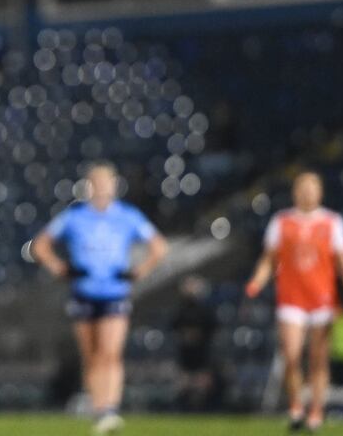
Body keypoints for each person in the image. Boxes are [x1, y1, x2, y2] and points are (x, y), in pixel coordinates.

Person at [31, 162, 168, 435]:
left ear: (114, 185)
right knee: (92, 355)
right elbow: (40, 246)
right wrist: (60, 269)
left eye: (106, 182)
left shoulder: (128, 216)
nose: (102, 187)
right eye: (97, 182)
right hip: (83, 292)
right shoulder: (74, 217)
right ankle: (99, 409)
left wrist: (138, 272)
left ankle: (110, 408)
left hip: (114, 293)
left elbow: (159, 247)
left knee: (110, 352)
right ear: (89, 186)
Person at [245, 171, 343, 433]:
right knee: (291, 356)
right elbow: (268, 259)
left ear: (320, 192)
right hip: (291, 299)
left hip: (322, 300)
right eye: (302, 187)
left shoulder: (332, 222)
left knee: (318, 359)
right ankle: (295, 406)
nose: (307, 193)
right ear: (295, 192)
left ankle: (316, 411)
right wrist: (255, 284)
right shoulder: (281, 221)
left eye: (312, 188)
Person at [172, 275, 217, 412]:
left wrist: (198, 334)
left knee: (201, 379)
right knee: (185, 379)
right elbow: (174, 325)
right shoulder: (181, 309)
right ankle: (184, 405)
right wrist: (185, 334)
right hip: (185, 350)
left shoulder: (205, 309)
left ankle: (202, 405)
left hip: (202, 350)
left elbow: (212, 326)